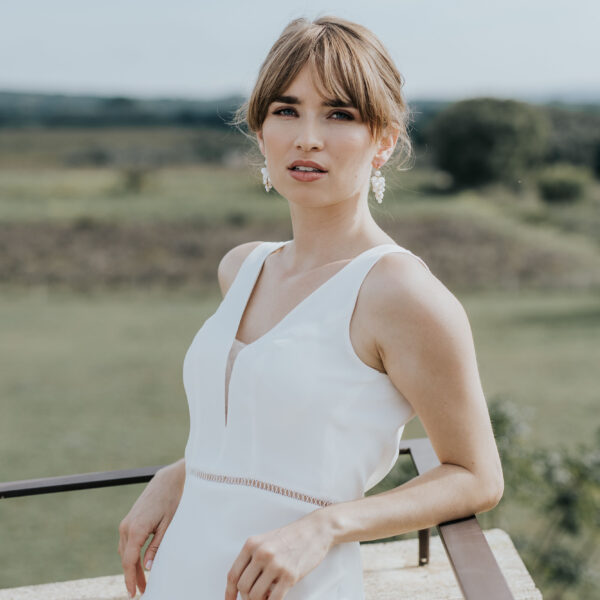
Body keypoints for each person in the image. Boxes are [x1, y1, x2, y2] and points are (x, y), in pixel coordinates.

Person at [118, 14, 504, 600]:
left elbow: (476, 476)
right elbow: (266, 428)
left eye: (339, 114)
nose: (308, 138)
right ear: (261, 131)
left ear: (384, 140)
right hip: (181, 574)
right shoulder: (241, 267)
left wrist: (326, 526)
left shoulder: (400, 292)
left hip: (297, 586)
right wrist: (185, 473)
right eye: (286, 110)